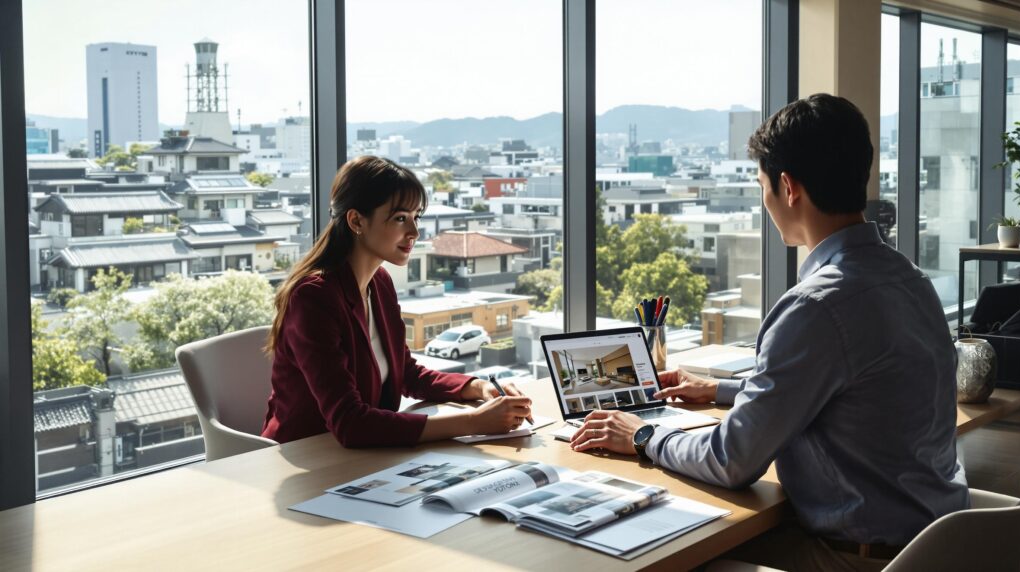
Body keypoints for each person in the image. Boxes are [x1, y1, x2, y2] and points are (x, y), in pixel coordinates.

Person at [569, 94, 968, 571]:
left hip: (854, 560)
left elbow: (731, 460)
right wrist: (719, 389)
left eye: (762, 185)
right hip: (936, 549)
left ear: (788, 187)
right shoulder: (910, 280)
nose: (764, 201)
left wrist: (643, 435)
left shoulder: (815, 307)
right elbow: (844, 387)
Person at [262, 156, 532, 447]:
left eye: (416, 217)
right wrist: (473, 422)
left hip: (367, 454)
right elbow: (350, 423)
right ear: (356, 221)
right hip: (308, 458)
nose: (414, 232)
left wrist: (478, 387)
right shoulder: (313, 297)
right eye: (401, 218)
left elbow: (407, 374)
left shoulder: (380, 283)